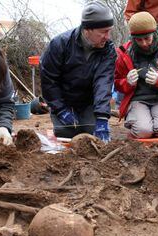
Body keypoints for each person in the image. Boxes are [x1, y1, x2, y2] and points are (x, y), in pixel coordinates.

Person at [40, 1, 116, 142]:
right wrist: (60, 109)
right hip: (64, 100)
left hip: (89, 102)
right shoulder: (60, 44)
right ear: (87, 30)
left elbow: (103, 82)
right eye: (104, 32)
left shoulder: (108, 50)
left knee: (93, 135)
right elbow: (49, 80)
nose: (108, 37)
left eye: (109, 31)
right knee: (65, 134)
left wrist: (102, 117)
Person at [115, 12, 158, 138]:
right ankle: (140, 126)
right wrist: (127, 82)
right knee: (143, 132)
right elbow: (117, 82)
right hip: (137, 99)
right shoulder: (125, 53)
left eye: (147, 38)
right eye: (139, 40)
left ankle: (153, 126)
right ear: (132, 38)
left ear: (154, 32)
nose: (144, 43)